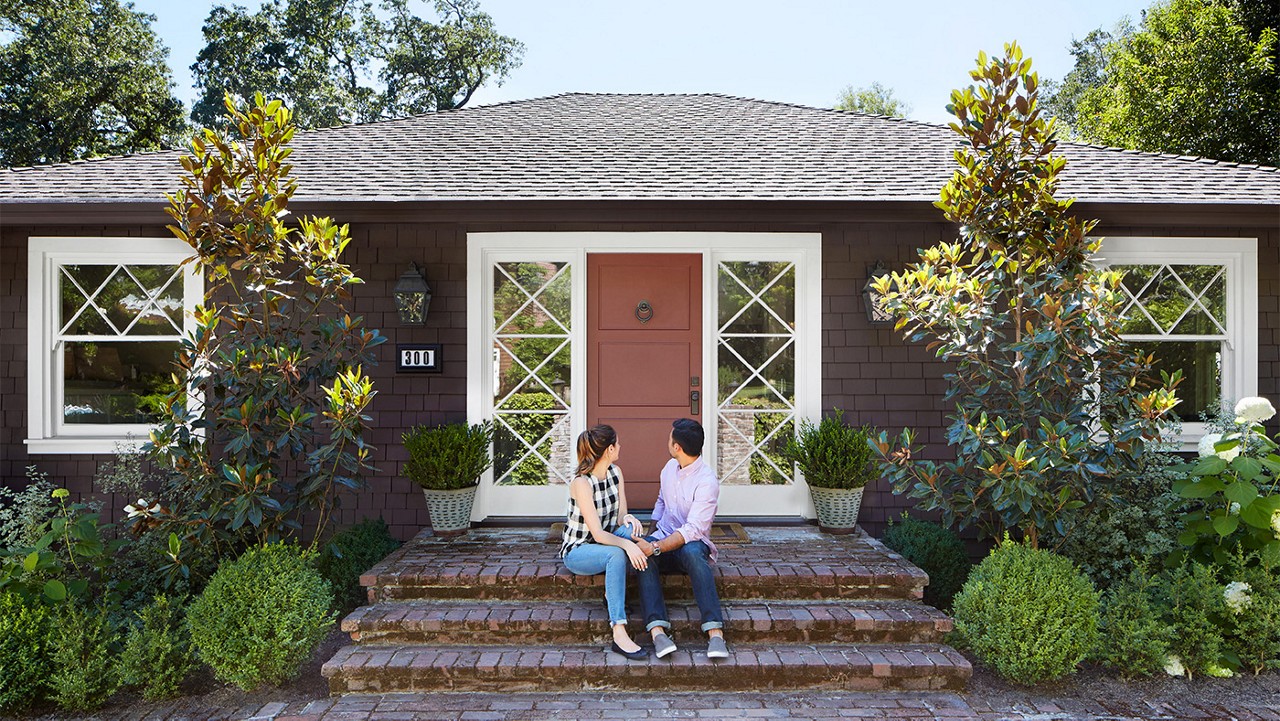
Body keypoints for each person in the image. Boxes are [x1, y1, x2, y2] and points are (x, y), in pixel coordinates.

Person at [633, 418, 729, 659]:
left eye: (670, 439)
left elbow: (693, 530)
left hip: (691, 544)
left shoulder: (707, 481)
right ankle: (658, 632)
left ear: (677, 447)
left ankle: (715, 633)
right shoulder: (668, 468)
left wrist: (655, 546)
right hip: (664, 538)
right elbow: (661, 503)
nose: (667, 442)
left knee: (693, 554)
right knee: (645, 560)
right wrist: (650, 538)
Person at [559, 424, 649, 659]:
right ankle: (619, 631)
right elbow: (598, 535)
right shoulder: (581, 483)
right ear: (609, 449)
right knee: (618, 553)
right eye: (617, 444)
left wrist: (628, 520)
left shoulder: (615, 473)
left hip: (605, 541)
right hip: (579, 550)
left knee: (633, 533)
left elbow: (620, 518)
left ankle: (618, 594)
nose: (620, 447)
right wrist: (627, 545)